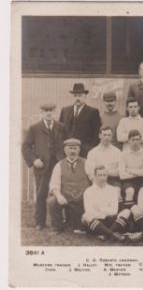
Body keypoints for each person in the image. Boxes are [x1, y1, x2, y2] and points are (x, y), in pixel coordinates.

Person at [22, 102, 67, 230]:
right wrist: (34, 160)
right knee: (41, 193)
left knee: (62, 191)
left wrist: (64, 160)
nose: (48, 113)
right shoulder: (34, 128)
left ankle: (63, 221)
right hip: (42, 166)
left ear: (55, 112)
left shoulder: (61, 127)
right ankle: (40, 222)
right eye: (46, 110)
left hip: (58, 164)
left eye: (51, 110)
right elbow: (25, 146)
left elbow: (66, 144)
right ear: (41, 112)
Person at [48, 138, 91, 234]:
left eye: (75, 148)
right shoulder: (59, 165)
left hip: (82, 197)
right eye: (70, 148)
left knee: (81, 227)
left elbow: (93, 179)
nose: (72, 151)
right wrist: (59, 196)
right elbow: (54, 184)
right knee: (52, 201)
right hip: (66, 197)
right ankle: (57, 227)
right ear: (65, 150)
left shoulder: (86, 163)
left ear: (79, 150)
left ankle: (79, 223)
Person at [81, 166, 130, 242]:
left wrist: (100, 210)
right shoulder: (88, 191)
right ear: (94, 176)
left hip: (111, 221)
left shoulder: (112, 190)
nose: (102, 178)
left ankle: (105, 235)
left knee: (126, 211)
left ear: (107, 176)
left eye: (104, 175)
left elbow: (114, 211)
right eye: (99, 175)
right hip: (96, 223)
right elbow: (89, 211)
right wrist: (104, 215)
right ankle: (112, 234)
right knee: (85, 216)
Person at [59, 83, 101, 157]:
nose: (77, 98)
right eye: (75, 96)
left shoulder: (93, 112)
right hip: (66, 152)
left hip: (84, 152)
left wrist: (89, 150)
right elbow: (59, 131)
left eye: (80, 96)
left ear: (85, 96)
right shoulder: (65, 110)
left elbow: (96, 135)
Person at [118, 130, 143, 207]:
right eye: (133, 140)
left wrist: (129, 170)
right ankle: (128, 211)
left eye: (137, 139)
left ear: (140, 140)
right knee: (130, 191)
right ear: (129, 141)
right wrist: (139, 171)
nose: (135, 142)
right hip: (128, 180)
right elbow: (122, 175)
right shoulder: (123, 154)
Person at [85, 126, 122, 192]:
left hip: (113, 180)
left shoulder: (117, 152)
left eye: (109, 135)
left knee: (116, 191)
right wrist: (96, 182)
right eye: (104, 135)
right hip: (97, 180)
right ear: (99, 136)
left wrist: (106, 172)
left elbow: (120, 171)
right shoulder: (92, 152)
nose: (106, 137)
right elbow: (90, 171)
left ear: (112, 137)